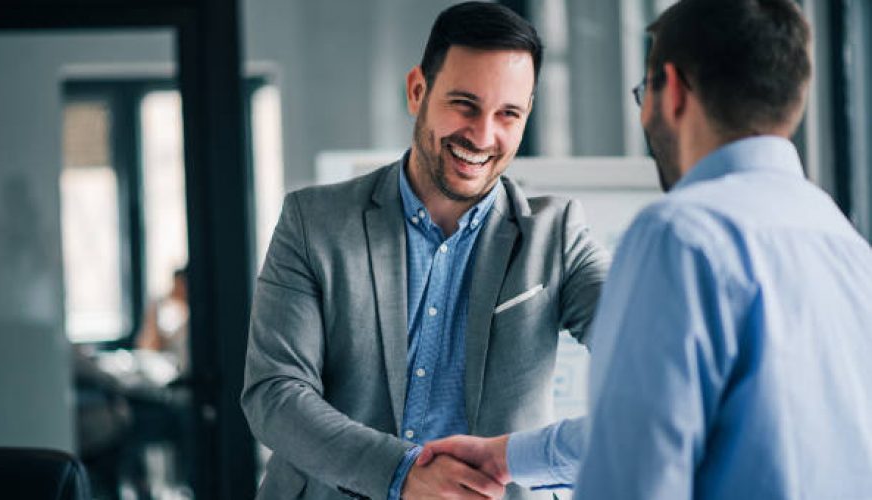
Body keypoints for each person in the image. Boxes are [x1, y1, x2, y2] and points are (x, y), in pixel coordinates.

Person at [419, 0, 872, 498]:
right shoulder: (847, 247)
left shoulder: (680, 234)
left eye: (644, 92)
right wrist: (508, 456)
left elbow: (636, 473)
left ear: (672, 90)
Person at [240, 2, 609, 499]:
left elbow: (652, 360)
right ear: (418, 90)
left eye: (508, 114)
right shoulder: (315, 223)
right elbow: (275, 395)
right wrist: (402, 473)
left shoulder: (557, 235)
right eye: (464, 104)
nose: (482, 136)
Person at [136, 266, 190, 375]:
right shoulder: (181, 323)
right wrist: (154, 308)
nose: (173, 290)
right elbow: (149, 347)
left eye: (177, 285)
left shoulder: (192, 325)